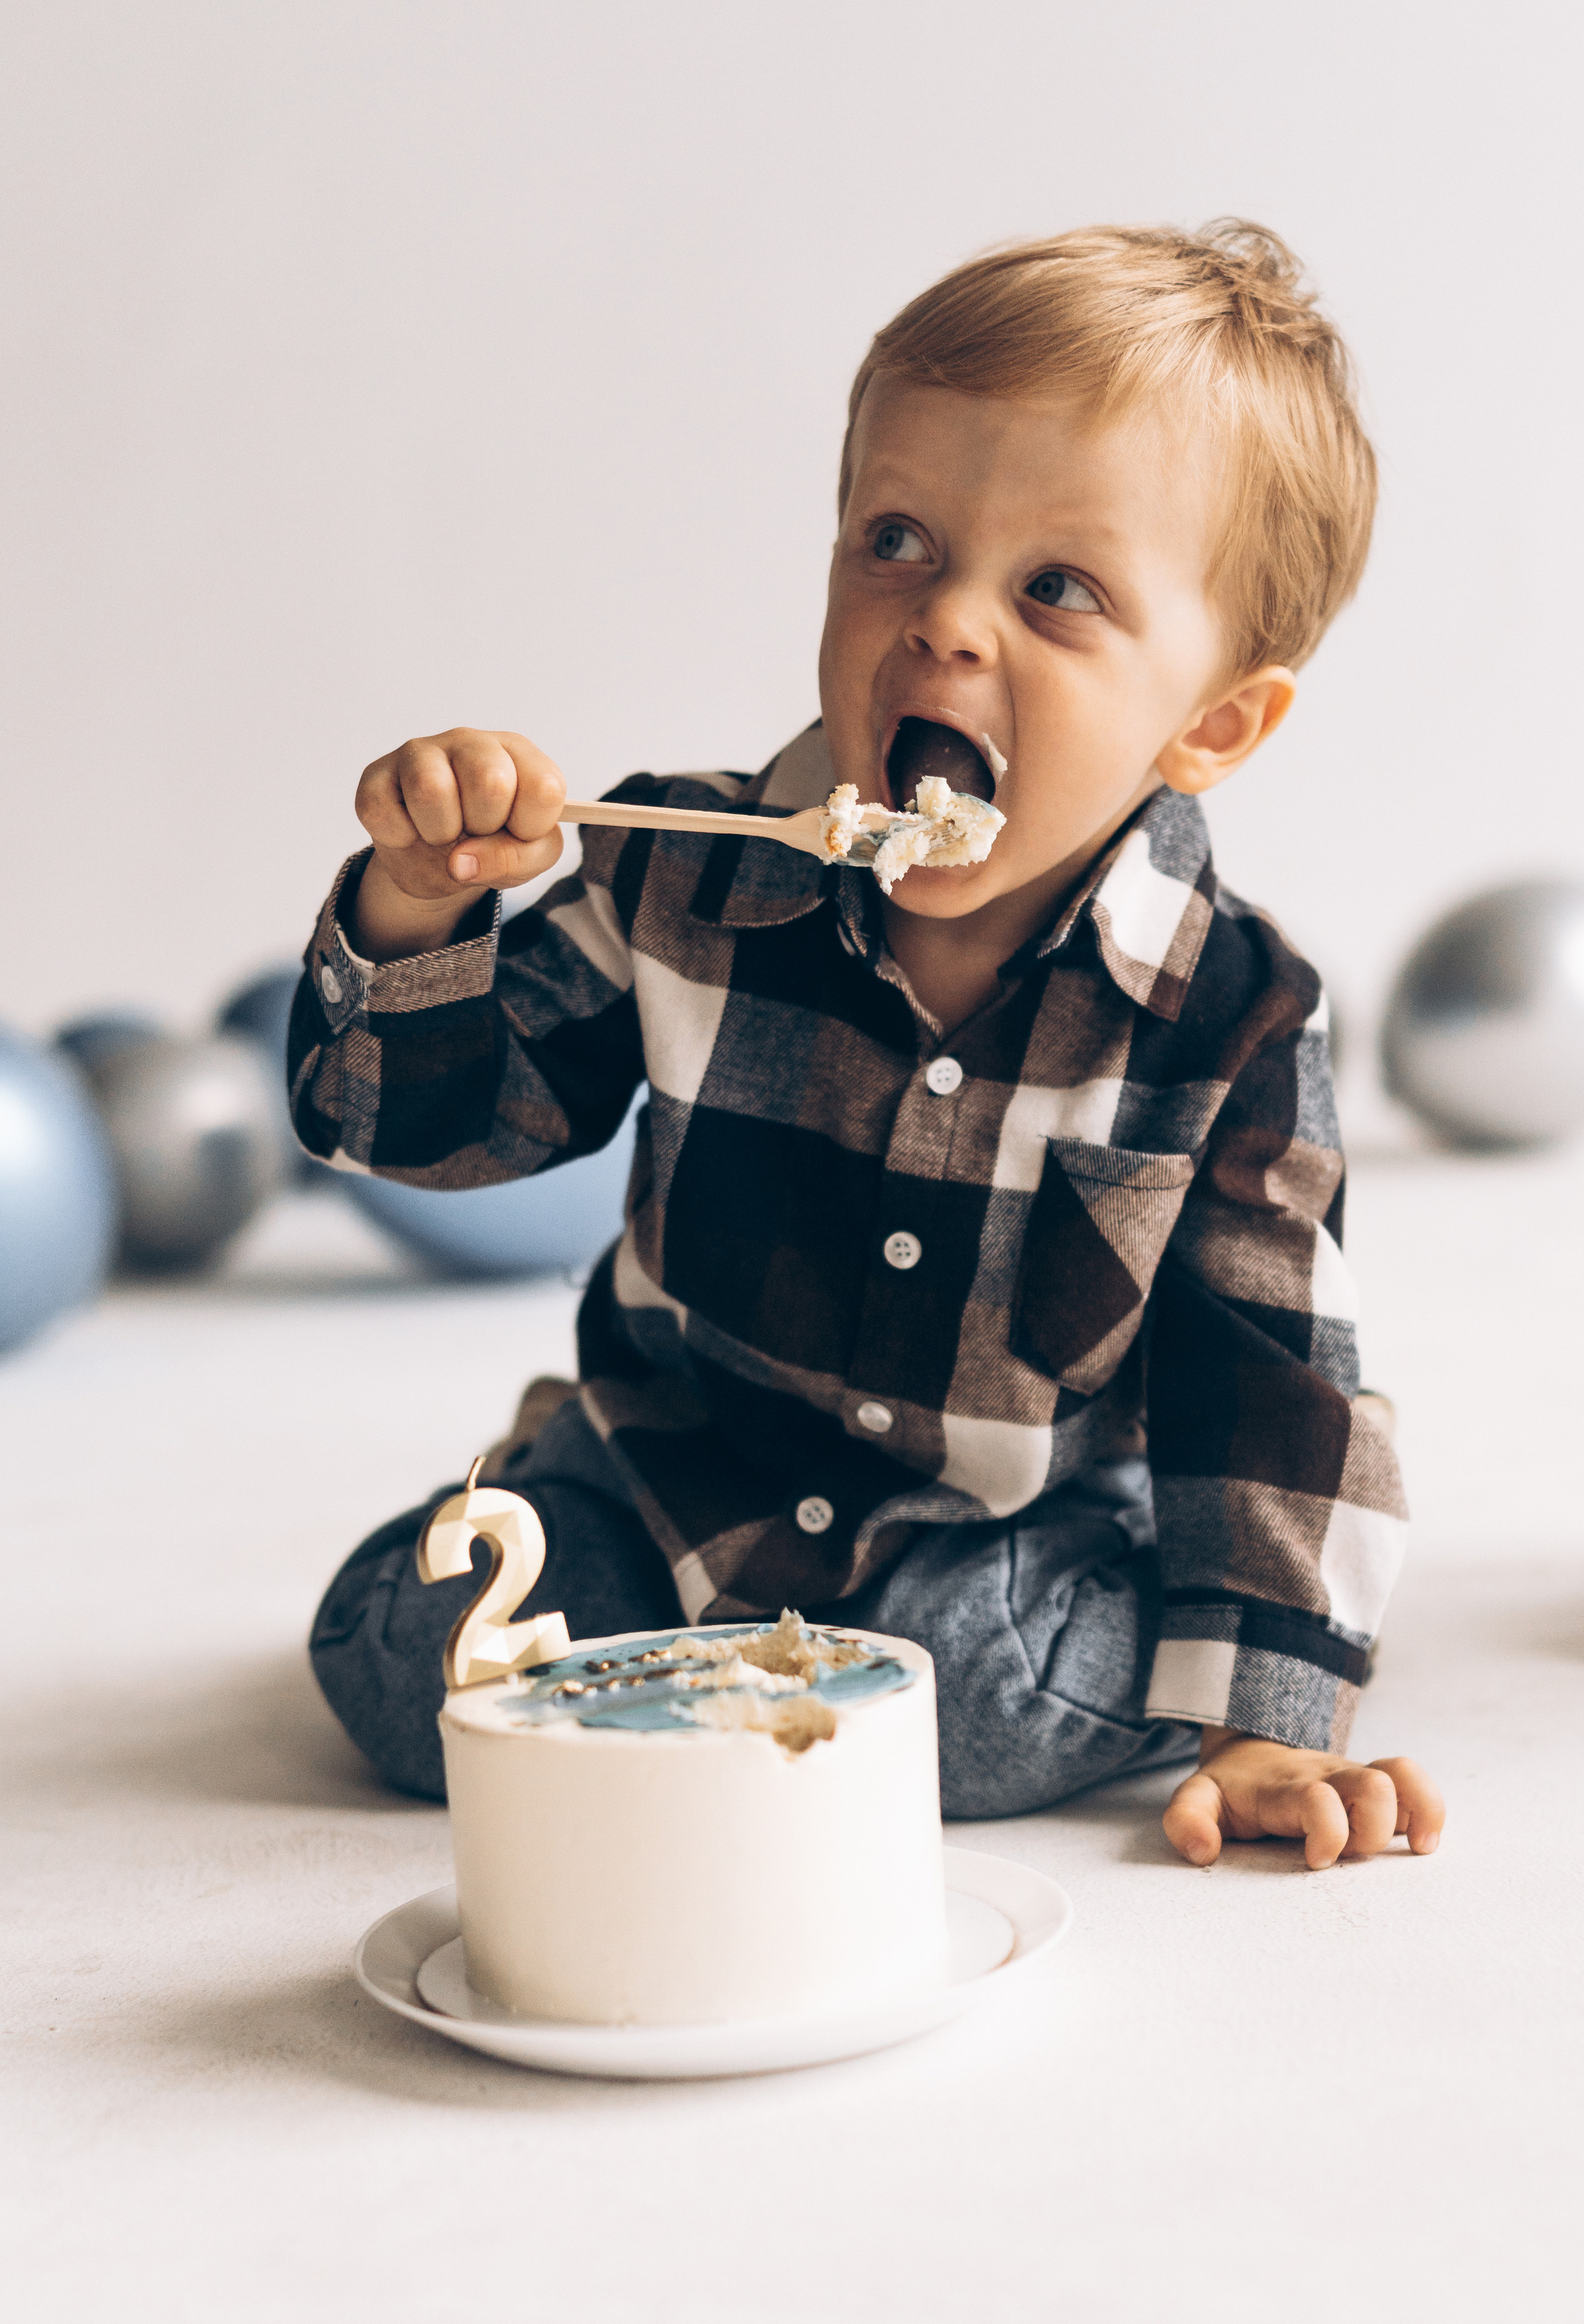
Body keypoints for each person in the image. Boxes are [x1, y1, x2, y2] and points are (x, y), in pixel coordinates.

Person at [291, 218, 1444, 1871]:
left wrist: (1268, 1724)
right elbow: (418, 1133)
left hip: (989, 1543)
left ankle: (788, 1704)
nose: (949, 624)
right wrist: (418, 912)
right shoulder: (682, 872)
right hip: (676, 1478)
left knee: (967, 1711)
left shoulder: (1228, 1010)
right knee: (401, 1668)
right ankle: (683, 1686)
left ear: (1212, 724)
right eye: (897, 540)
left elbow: (1272, 1380)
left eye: (1058, 589)